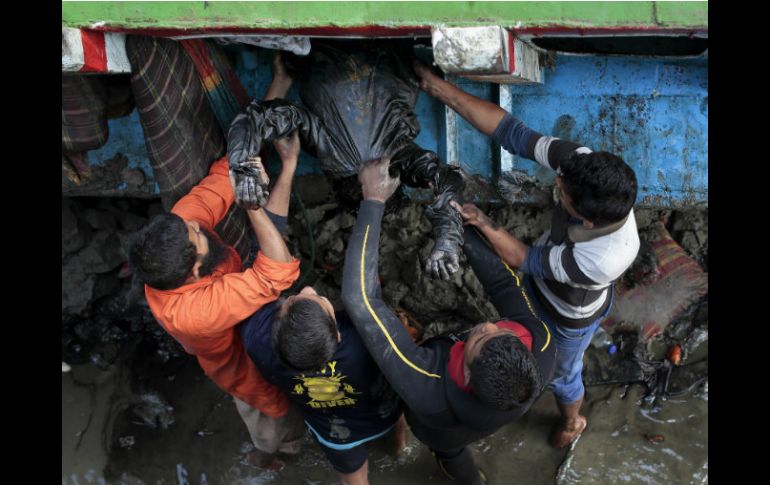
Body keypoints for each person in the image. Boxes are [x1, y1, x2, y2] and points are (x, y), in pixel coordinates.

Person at [413, 60, 640, 448]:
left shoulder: (604, 256)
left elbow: (524, 261)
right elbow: (512, 133)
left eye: (562, 193)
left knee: (562, 373)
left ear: (585, 221)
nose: (557, 182)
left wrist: (483, 223)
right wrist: (437, 87)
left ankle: (572, 422)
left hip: (569, 314)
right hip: (545, 276)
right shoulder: (581, 166)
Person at [127, 62, 305, 468]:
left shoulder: (180, 228)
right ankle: (275, 459)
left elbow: (229, 170)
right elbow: (278, 273)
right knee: (273, 419)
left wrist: (278, 84)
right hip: (243, 370)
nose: (195, 222)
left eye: (189, 224)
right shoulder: (193, 311)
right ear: (194, 272)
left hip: (245, 323)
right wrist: (253, 209)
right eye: (196, 233)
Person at [341, 158, 556, 484]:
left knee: (448, 449)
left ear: (467, 372)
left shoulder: (426, 385)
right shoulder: (540, 344)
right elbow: (502, 284)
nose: (488, 325)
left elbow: (360, 299)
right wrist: (456, 232)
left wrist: (372, 201)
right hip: (494, 415)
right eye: (500, 330)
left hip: (439, 429)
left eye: (481, 338)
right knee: (459, 456)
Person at [240, 281, 405, 485]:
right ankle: (399, 449)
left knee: (354, 480)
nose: (307, 289)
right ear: (336, 333)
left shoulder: (258, 343)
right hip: (383, 411)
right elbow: (371, 298)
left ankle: (396, 448)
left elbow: (249, 301)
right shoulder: (363, 338)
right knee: (395, 423)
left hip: (337, 434)